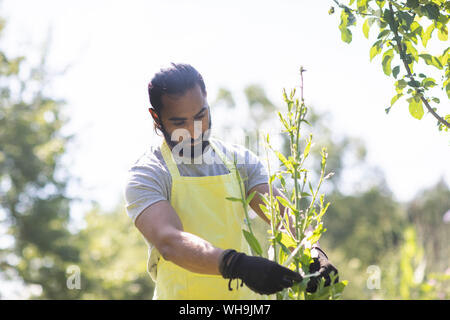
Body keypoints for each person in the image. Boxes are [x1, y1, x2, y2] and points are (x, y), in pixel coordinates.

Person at [123, 62, 338, 300]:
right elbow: (169, 241)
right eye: (179, 122)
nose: (194, 131)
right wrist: (236, 265)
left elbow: (282, 215)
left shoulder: (239, 161)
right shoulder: (148, 174)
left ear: (207, 100)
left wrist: (311, 249)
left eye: (201, 116)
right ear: (156, 117)